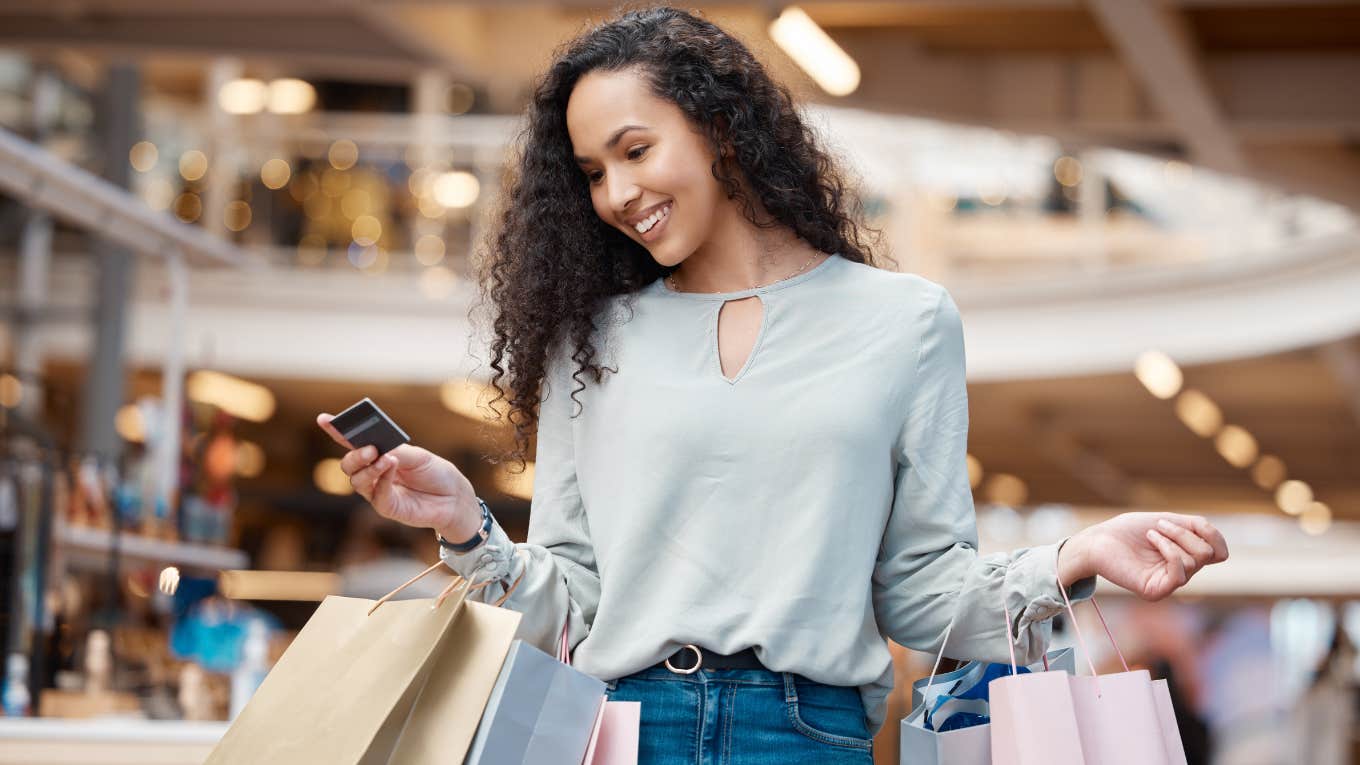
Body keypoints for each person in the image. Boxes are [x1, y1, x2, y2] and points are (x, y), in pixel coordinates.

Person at [317, 7, 1229, 762]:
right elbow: (577, 598)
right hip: (623, 732)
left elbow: (920, 592)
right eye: (593, 172)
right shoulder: (591, 341)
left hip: (810, 733)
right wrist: (467, 526)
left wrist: (1075, 558)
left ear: (718, 128)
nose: (617, 193)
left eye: (636, 150)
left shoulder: (904, 322)